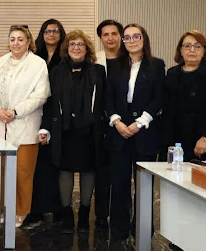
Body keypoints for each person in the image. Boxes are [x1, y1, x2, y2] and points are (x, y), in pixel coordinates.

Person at [38, 30, 107, 234]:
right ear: (66, 48)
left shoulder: (98, 71)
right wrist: (45, 128)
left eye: (80, 44)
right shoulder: (56, 72)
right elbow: (50, 103)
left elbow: (104, 100)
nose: (76, 48)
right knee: (65, 170)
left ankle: (84, 215)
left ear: (87, 49)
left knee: (88, 170)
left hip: (90, 130)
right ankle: (67, 213)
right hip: (64, 129)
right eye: (72, 44)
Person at [0, 25, 50, 228]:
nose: (16, 43)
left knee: (23, 172)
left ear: (29, 42)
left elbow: (40, 95)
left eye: (20, 39)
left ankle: (21, 211)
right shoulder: (1, 62)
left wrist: (15, 111)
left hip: (25, 125)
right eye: (12, 39)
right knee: (2, 171)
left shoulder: (37, 64)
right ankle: (4, 208)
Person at [105, 23, 164, 239]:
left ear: (144, 39)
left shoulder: (156, 65)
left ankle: (142, 228)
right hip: (119, 131)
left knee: (143, 185)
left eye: (136, 36)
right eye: (127, 37)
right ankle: (119, 230)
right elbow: (107, 97)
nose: (131, 41)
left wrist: (140, 123)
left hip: (145, 132)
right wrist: (116, 121)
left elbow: (159, 98)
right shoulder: (115, 65)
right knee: (119, 184)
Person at [162, 31, 206, 161]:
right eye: (187, 46)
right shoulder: (172, 74)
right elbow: (167, 110)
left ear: (204, 51)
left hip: (204, 143)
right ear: (180, 50)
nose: (192, 50)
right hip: (176, 143)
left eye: (197, 46)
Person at [27, 19, 67, 228]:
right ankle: (37, 210)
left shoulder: (66, 57)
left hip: (59, 115)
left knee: (58, 164)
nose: (51, 34)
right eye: (47, 31)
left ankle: (59, 209)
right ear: (41, 34)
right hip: (36, 114)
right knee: (38, 165)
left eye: (55, 31)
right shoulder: (34, 57)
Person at [93, 19, 124, 228]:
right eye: (106, 34)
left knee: (120, 174)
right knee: (101, 172)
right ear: (100, 38)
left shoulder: (129, 60)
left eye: (114, 34)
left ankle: (120, 215)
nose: (110, 38)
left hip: (123, 125)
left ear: (121, 36)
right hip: (99, 125)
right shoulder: (94, 60)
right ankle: (101, 215)